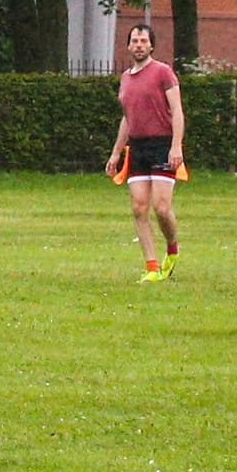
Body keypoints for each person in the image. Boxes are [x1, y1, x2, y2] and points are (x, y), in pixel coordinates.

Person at [104, 22, 184, 280]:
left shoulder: (163, 73)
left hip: (162, 145)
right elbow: (127, 118)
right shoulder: (126, 78)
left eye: (143, 41)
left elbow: (177, 111)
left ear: (151, 45)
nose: (139, 45)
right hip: (137, 147)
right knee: (139, 208)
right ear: (128, 46)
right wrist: (116, 153)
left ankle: (172, 248)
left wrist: (176, 146)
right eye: (135, 41)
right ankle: (151, 267)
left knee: (161, 208)